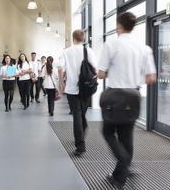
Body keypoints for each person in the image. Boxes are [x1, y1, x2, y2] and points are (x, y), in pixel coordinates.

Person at [98, 12, 156, 189]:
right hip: (133, 95)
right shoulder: (144, 48)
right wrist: (135, 77)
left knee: (108, 132)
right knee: (127, 135)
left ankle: (123, 162)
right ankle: (119, 177)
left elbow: (101, 73)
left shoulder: (112, 44)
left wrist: (113, 72)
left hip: (115, 95)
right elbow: (151, 78)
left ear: (118, 25)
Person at [59, 30, 97, 156]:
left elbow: (60, 68)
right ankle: (81, 137)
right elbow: (95, 69)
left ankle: (80, 146)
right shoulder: (88, 51)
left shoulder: (67, 51)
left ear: (72, 38)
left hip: (71, 89)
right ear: (84, 38)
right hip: (86, 89)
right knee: (81, 115)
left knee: (77, 116)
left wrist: (61, 83)